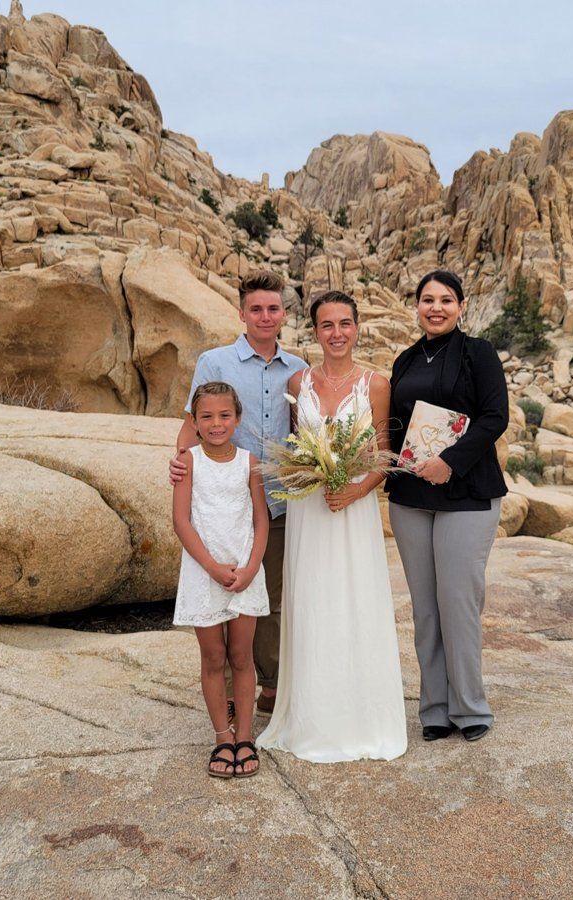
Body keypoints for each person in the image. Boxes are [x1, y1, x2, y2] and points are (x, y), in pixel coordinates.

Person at [257, 291, 407, 762]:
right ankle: (311, 716)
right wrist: (307, 476)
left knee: (354, 601)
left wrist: (356, 491)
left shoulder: (376, 384)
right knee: (311, 602)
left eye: (345, 323)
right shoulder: (298, 382)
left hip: (353, 509)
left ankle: (361, 718)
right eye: (327, 325)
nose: (337, 333)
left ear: (357, 328)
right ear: (315, 331)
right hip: (309, 509)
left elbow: (385, 453)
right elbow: (296, 448)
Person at [171, 270, 308, 718]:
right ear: (242, 313)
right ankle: (228, 694)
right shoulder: (215, 362)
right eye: (256, 309)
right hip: (223, 504)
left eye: (273, 309)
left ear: (283, 314)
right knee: (223, 595)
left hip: (279, 500)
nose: (265, 316)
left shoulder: (298, 370)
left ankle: (269, 686)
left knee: (270, 600)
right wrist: (180, 463)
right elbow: (194, 422)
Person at [385, 270, 508, 743]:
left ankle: (470, 707)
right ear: (416, 305)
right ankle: (435, 709)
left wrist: (449, 463)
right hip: (411, 498)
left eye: (446, 300)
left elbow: (495, 417)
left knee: (458, 603)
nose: (436, 308)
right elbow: (395, 425)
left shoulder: (479, 353)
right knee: (425, 610)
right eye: (427, 300)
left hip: (467, 495)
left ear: (461, 306)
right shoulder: (405, 359)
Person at [172, 381, 271, 778]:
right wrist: (212, 567)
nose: (216, 424)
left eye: (225, 415)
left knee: (241, 657)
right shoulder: (189, 462)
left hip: (245, 571)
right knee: (213, 657)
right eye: (207, 417)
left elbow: (261, 520)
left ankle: (244, 736)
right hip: (204, 572)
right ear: (194, 422)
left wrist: (251, 568)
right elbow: (181, 521)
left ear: (238, 418)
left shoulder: (249, 461)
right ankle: (222, 737)